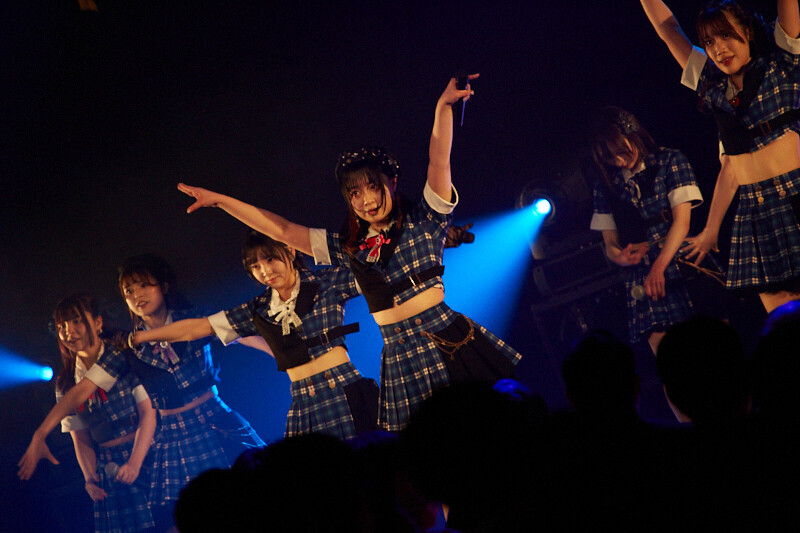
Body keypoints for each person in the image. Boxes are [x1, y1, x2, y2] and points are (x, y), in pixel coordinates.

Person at [175, 75, 522, 431]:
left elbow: (439, 162)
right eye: (355, 193)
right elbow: (281, 230)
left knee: (486, 427)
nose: (367, 200)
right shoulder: (346, 248)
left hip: (447, 340)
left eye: (373, 187)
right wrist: (220, 201)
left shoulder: (425, 220)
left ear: (392, 183)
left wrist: (443, 106)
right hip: (400, 357)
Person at [129, 231, 378, 440]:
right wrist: (140, 338)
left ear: (290, 251)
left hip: (345, 388)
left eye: (270, 259)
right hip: (305, 400)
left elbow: (376, 274)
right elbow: (198, 328)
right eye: (255, 266)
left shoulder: (326, 282)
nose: (265, 270)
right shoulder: (258, 308)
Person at [640, 0, 800, 313]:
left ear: (747, 31)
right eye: (709, 41)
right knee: (783, 321)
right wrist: (711, 228)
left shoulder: (782, 62)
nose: (719, 49)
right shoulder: (711, 83)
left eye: (726, 35)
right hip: (757, 214)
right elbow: (667, 28)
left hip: (795, 195)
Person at [18, 294, 157, 533]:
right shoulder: (65, 383)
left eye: (76, 321)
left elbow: (148, 413)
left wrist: (135, 462)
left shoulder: (120, 357)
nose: (68, 332)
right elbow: (80, 437)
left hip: (147, 451)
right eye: (61, 327)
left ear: (98, 322)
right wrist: (90, 478)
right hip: (108, 465)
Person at [589, 106, 721, 353]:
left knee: (713, 345)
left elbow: (682, 222)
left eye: (621, 152)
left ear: (632, 133)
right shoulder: (606, 185)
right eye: (611, 159)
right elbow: (610, 243)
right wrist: (620, 257)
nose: (619, 161)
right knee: (668, 356)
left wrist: (659, 267)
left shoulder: (669, 160)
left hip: (681, 260)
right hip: (643, 274)